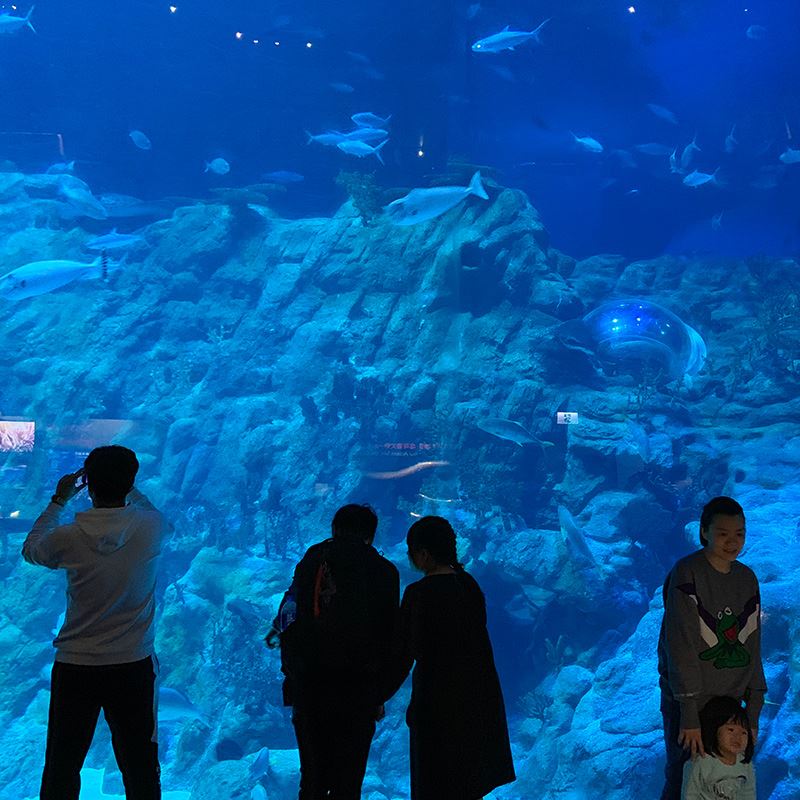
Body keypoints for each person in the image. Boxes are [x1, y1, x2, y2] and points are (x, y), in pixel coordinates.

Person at [21, 445, 168, 800]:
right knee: (140, 762)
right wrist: (127, 486)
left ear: (87, 485)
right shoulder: (152, 528)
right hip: (132, 664)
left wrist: (60, 499)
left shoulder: (67, 537)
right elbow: (151, 510)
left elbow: (31, 549)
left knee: (63, 762)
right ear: (132, 481)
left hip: (76, 665)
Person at [268, 503, 399, 800]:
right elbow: (389, 636)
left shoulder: (314, 560)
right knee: (348, 783)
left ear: (334, 530)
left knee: (312, 779)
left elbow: (288, 613)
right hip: (359, 691)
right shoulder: (384, 572)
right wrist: (379, 693)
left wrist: (290, 672)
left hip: (310, 687)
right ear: (371, 535)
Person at [382, 515, 515, 800]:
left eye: (412, 552)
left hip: (436, 703)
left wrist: (378, 695)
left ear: (424, 555)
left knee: (434, 783)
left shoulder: (418, 594)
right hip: (476, 699)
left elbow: (404, 654)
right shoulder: (468, 585)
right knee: (468, 783)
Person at [658, 496, 766, 800]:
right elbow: (679, 644)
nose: (732, 542)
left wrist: (753, 712)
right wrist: (689, 713)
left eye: (739, 534)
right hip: (690, 701)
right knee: (683, 777)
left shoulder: (747, 578)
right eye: (723, 533)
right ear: (704, 532)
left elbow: (752, 643)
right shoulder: (687, 573)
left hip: (731, 705)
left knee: (727, 782)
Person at [681, 695, 756, 800]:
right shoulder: (701, 762)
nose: (738, 737)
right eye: (731, 729)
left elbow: (748, 795)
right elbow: (690, 795)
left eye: (744, 732)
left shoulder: (746, 764)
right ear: (714, 729)